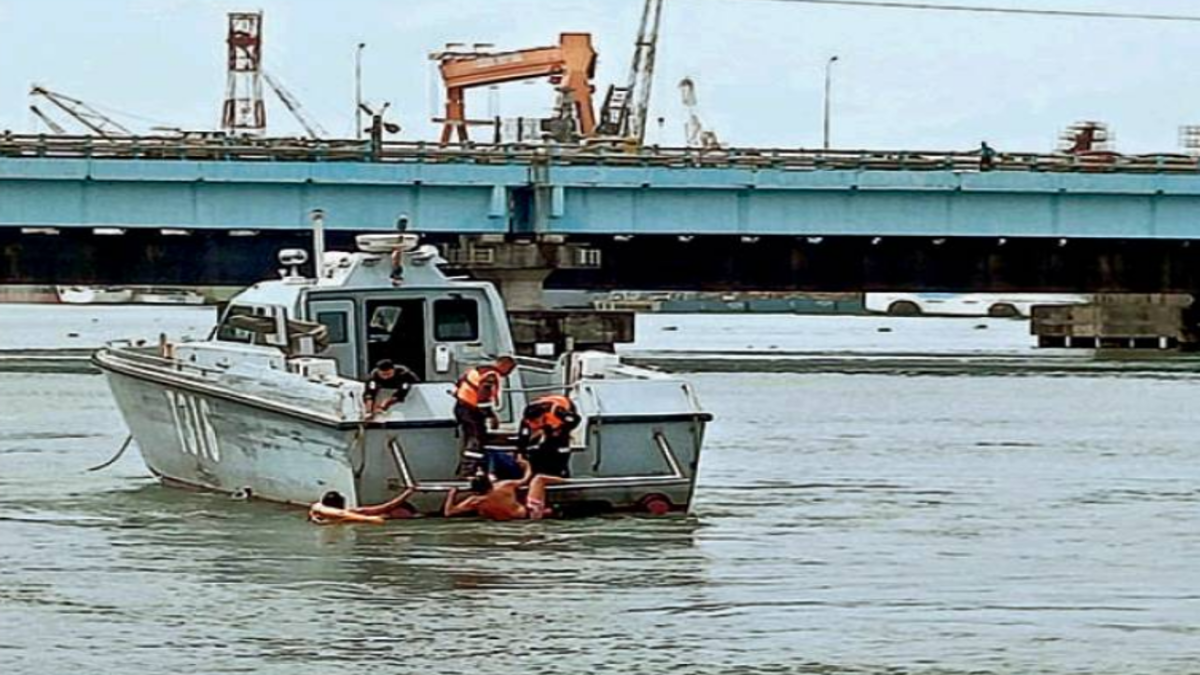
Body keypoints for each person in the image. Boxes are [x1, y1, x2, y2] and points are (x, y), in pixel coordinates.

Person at [451, 355, 517, 477]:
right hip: (471, 410)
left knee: (470, 437)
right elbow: (483, 397)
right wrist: (490, 416)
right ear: (504, 365)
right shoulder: (490, 376)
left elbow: (459, 385)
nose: (509, 373)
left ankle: (470, 468)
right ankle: (469, 470)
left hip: (462, 406)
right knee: (476, 438)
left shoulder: (479, 370)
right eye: (510, 369)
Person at [443, 457, 564, 521]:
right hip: (529, 513)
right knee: (539, 478)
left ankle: (549, 511)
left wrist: (452, 494)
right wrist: (527, 465)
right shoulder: (503, 486)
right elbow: (525, 479)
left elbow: (448, 512)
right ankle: (567, 481)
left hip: (508, 520)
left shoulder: (474, 501)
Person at [517, 394, 581, 478]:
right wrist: (521, 452)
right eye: (531, 422)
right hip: (547, 423)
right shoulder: (527, 418)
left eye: (537, 422)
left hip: (562, 421)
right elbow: (523, 436)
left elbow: (576, 420)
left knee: (557, 446)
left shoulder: (559, 412)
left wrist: (559, 429)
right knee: (533, 448)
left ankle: (560, 472)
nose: (534, 425)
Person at [308, 488, 417, 525]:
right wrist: (368, 519)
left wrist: (407, 493)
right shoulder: (320, 509)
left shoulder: (317, 511)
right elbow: (340, 513)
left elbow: (385, 507)